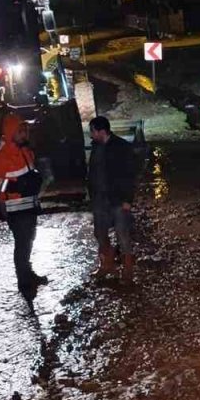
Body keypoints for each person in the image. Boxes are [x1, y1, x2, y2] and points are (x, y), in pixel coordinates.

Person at [0, 113, 48, 291]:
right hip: (14, 205)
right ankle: (24, 280)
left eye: (26, 131)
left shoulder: (24, 148)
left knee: (29, 240)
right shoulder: (0, 152)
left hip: (29, 202)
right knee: (22, 243)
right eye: (21, 131)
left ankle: (28, 274)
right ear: (11, 131)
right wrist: (12, 186)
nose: (25, 134)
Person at [87, 116, 138, 283]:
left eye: (93, 131)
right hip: (100, 200)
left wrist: (128, 200)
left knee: (122, 234)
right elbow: (93, 173)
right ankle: (106, 264)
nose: (91, 135)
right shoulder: (96, 147)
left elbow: (130, 175)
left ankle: (128, 269)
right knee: (100, 233)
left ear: (102, 131)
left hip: (118, 200)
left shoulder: (122, 147)